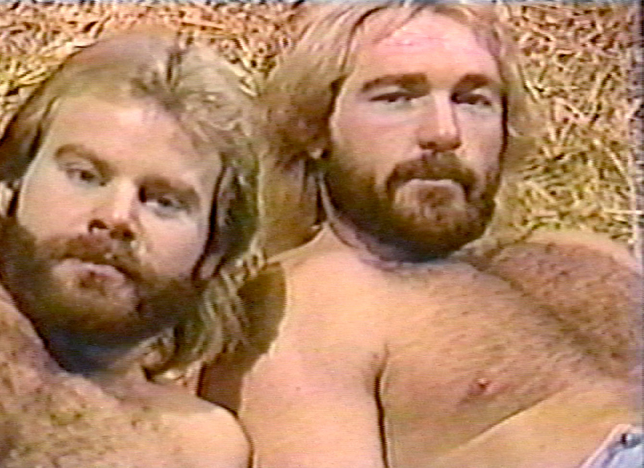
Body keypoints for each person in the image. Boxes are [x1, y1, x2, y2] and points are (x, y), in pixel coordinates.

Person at [200, 3, 642, 467]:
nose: (444, 132)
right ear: (313, 128)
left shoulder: (581, 253)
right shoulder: (303, 302)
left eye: (473, 101)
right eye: (397, 98)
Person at [0, 30, 260, 468]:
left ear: (213, 253)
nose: (116, 217)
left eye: (164, 201)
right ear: (9, 186)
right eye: (84, 175)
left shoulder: (200, 449)